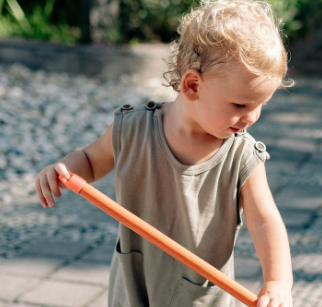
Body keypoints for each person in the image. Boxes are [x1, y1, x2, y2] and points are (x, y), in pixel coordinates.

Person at [35, 0, 294, 306]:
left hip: (199, 299)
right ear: (193, 85)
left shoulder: (241, 156)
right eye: (240, 105)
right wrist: (62, 168)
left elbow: (265, 221)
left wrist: (278, 281)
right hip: (134, 288)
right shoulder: (131, 130)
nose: (251, 117)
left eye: (260, 104)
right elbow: (90, 161)